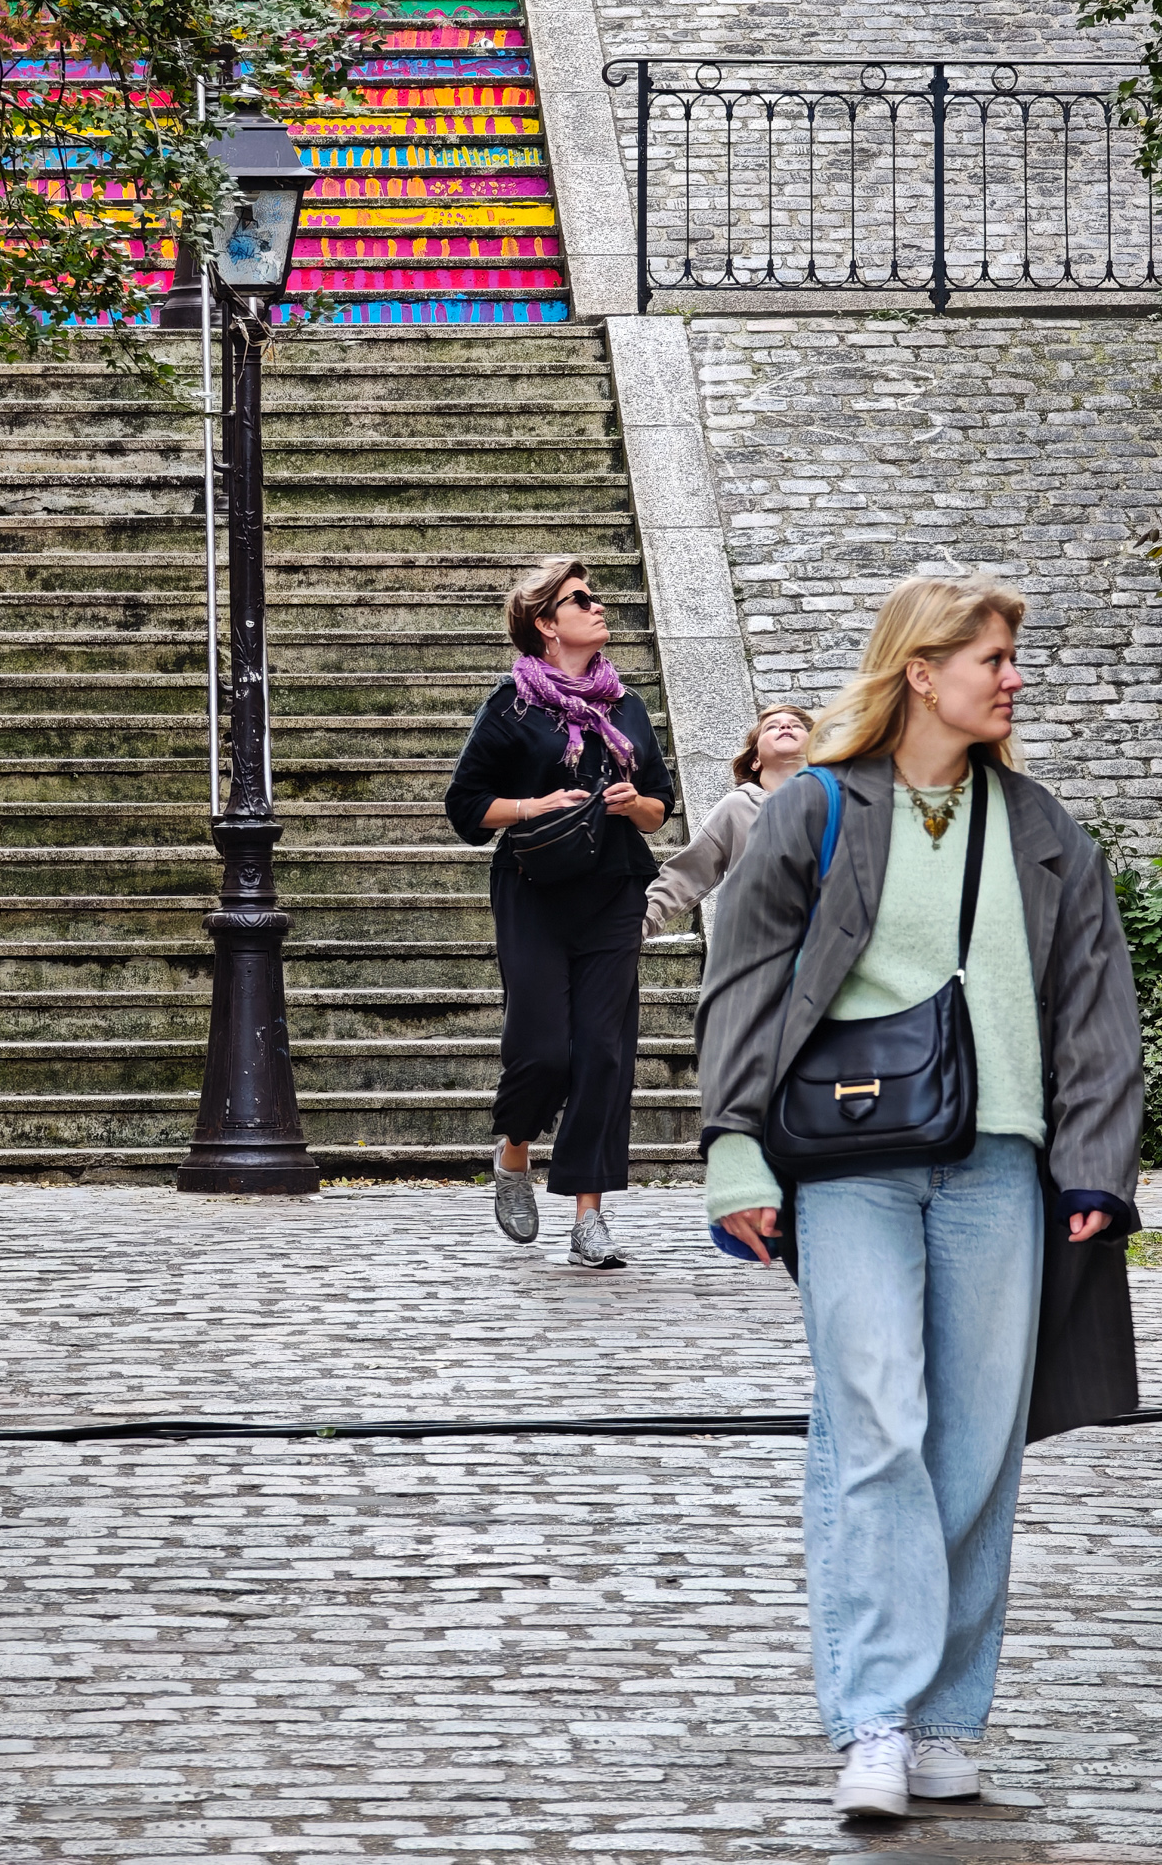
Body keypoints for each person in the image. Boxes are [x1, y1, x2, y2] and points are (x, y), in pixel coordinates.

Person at [695, 575, 1143, 1820]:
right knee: (875, 1423)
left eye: (1009, 657)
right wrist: (731, 1147)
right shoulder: (816, 809)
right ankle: (875, 1721)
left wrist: (1095, 1161)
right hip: (849, 1164)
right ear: (920, 671)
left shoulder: (1042, 828)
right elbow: (742, 982)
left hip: (1001, 1164)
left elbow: (1095, 1006)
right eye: (990, 658)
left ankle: (947, 1716)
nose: (1011, 677)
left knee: (973, 1445)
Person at [446, 555, 673, 1269]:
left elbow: (660, 806)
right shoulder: (511, 706)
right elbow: (465, 807)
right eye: (581, 599)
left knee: (604, 1052)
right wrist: (533, 805)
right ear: (546, 625)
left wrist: (634, 804)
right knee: (543, 1050)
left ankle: (588, 1215)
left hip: (614, 889)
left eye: (595, 596)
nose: (597, 606)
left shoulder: (625, 705)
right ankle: (514, 1152)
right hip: (534, 890)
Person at [643, 703, 812, 935]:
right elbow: (688, 873)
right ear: (755, 760)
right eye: (772, 727)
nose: (785, 726)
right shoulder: (737, 807)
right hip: (756, 942)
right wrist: (640, 922)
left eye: (796, 726)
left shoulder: (840, 804)